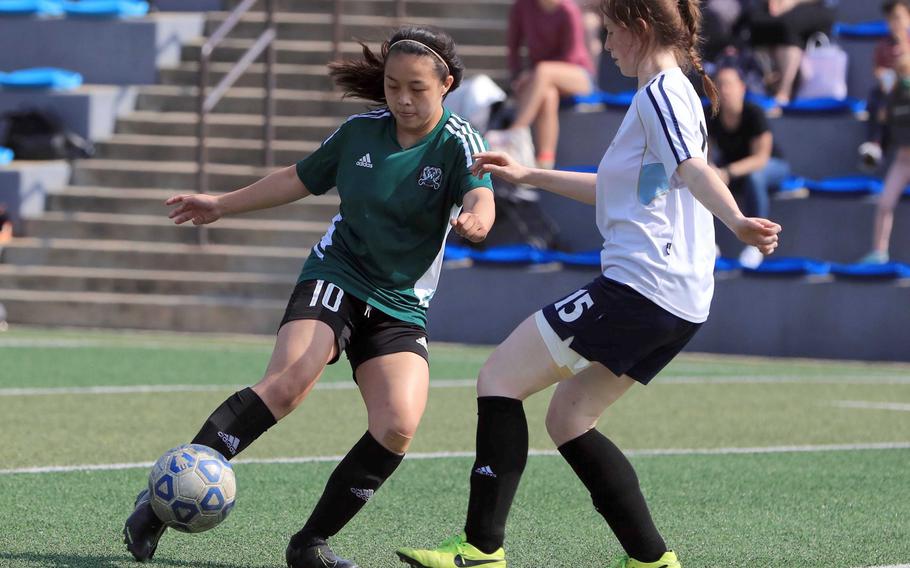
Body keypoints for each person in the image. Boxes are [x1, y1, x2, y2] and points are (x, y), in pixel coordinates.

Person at [395, 1, 781, 567]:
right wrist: (528, 175)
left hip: (640, 288)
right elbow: (620, 188)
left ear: (639, 28)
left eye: (611, 32)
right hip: (680, 300)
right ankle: (652, 560)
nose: (605, 46)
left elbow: (699, 172)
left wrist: (738, 221)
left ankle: (479, 550)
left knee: (499, 377)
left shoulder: (661, 93)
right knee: (569, 419)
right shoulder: (675, 94)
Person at [122, 25, 496, 568]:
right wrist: (222, 204)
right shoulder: (360, 132)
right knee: (288, 383)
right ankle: (155, 508)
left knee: (398, 424)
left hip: (401, 299)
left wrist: (477, 219)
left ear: (447, 84)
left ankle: (310, 544)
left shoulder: (459, 140)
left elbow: (481, 192)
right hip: (337, 273)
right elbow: (298, 178)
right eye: (393, 86)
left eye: (416, 88)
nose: (403, 99)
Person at [489, 0, 596, 169]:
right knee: (548, 94)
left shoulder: (568, 9)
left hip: (577, 75)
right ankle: (546, 160)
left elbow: (571, 56)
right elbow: (513, 47)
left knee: (544, 71)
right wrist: (518, 76)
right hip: (541, 79)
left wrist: (532, 75)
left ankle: (515, 130)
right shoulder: (521, 7)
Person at [708, 62, 790, 268]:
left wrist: (727, 172)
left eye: (728, 84)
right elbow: (703, 154)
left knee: (755, 178)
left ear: (742, 88)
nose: (723, 90)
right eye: (719, 85)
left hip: (772, 165)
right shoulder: (710, 114)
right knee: (703, 181)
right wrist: (713, 171)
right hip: (732, 170)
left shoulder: (754, 113)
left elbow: (761, 158)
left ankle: (756, 245)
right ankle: (708, 242)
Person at [859, 52, 910, 264]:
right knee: (885, 202)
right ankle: (879, 252)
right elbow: (884, 128)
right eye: (901, 72)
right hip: (902, 160)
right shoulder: (891, 100)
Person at [746, 0, 835, 104]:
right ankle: (770, 79)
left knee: (787, 25)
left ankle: (784, 91)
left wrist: (791, 1)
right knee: (756, 22)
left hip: (814, 6)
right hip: (776, 6)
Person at [858, 0, 910, 172]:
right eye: (890, 19)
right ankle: (875, 145)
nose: (895, 23)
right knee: (878, 99)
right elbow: (879, 70)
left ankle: (879, 144)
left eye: (898, 18)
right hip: (891, 93)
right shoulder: (884, 45)